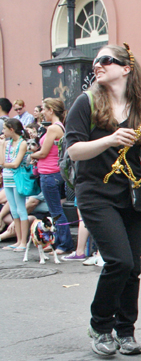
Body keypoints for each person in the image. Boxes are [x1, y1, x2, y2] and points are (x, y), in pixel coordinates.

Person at [64, 43, 141, 356]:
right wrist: (109, 138)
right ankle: (100, 325)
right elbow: (73, 150)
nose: (98, 65)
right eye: (95, 62)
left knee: (133, 265)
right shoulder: (87, 102)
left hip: (131, 193)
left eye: (105, 60)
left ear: (126, 68)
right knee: (118, 260)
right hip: (95, 192)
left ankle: (126, 330)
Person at [29, 98, 74, 253]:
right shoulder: (58, 127)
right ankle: (58, 242)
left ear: (51, 110)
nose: (42, 112)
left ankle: (64, 243)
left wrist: (32, 155)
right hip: (52, 172)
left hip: (49, 173)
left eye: (43, 109)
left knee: (55, 211)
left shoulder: (53, 128)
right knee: (54, 210)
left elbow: (44, 152)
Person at [1, 118, 30, 251]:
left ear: (11, 129)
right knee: (13, 210)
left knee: (21, 209)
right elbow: (2, 161)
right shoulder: (7, 143)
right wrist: (1, 146)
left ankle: (23, 242)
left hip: (17, 178)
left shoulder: (22, 143)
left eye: (5, 129)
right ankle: (18, 241)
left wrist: (4, 165)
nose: (3, 131)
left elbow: (15, 163)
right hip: (7, 178)